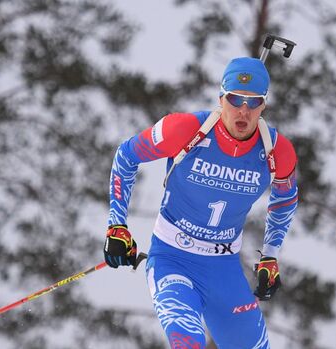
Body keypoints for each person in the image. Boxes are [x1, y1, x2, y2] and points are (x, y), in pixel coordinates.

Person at [103, 57, 298, 349]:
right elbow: (126, 156)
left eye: (253, 102)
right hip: (172, 260)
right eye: (235, 99)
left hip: (224, 269)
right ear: (221, 98)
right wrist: (117, 225)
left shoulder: (277, 151)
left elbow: (285, 200)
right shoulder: (182, 130)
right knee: (188, 343)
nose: (243, 111)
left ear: (264, 106)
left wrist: (270, 255)